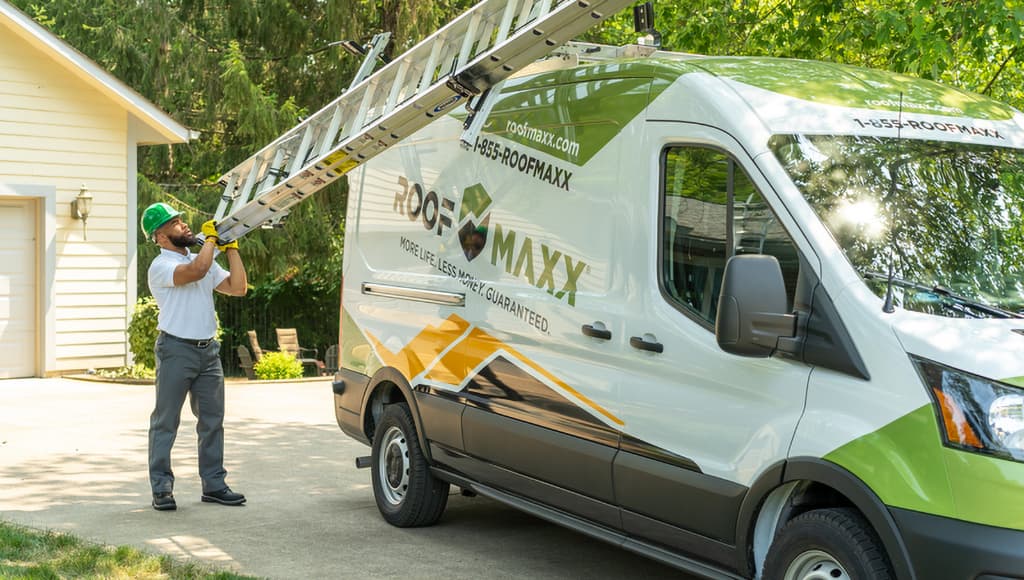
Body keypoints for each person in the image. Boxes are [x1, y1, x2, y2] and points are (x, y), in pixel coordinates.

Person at [140, 202, 248, 511]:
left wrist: (231, 249)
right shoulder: (161, 266)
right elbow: (197, 270)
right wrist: (212, 242)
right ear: (160, 237)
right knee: (165, 422)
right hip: (176, 350)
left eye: (181, 219)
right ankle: (161, 487)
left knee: (212, 421)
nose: (184, 224)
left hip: (208, 352)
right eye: (174, 223)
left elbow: (238, 287)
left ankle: (214, 484)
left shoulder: (202, 257)